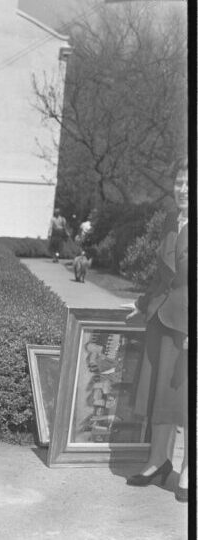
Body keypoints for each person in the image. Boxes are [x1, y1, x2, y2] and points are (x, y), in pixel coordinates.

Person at [124, 161, 188, 503]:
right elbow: (161, 274)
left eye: (190, 182)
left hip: (187, 324)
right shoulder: (170, 220)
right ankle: (157, 462)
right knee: (159, 396)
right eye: (179, 181)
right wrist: (143, 302)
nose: (183, 188)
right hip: (161, 318)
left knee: (185, 400)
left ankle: (188, 469)